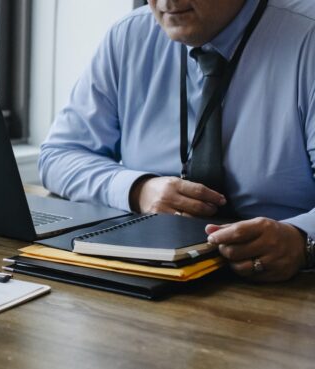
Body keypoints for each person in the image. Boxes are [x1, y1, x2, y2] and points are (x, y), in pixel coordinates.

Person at [39, 0, 315, 282]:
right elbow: (59, 155)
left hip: (285, 289)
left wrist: (301, 239)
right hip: (149, 274)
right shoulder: (129, 36)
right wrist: (138, 190)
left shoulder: (308, 36)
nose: (166, 2)